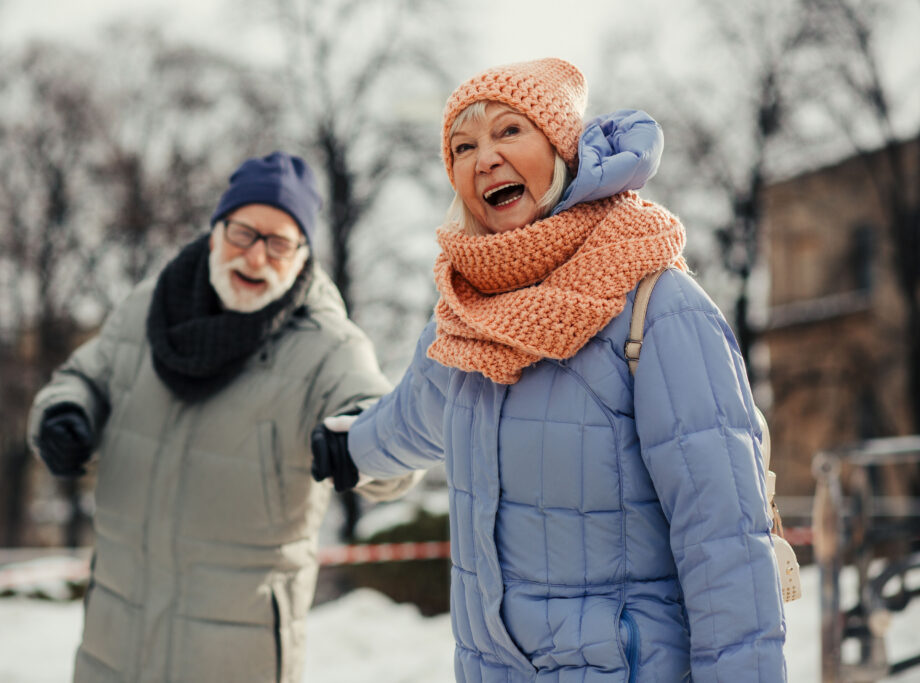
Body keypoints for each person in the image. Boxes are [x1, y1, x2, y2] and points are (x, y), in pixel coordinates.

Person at [311, 58, 787, 681]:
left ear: (561, 148)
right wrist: (349, 448)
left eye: (510, 131)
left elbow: (725, 543)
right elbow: (413, 417)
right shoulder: (465, 319)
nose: (484, 158)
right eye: (463, 146)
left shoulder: (656, 306)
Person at [27, 151, 419, 683]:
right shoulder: (151, 306)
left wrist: (361, 445)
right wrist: (64, 414)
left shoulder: (329, 346)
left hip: (236, 655)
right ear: (216, 232)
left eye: (279, 243)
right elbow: (85, 377)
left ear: (303, 254)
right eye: (243, 234)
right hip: (113, 642)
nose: (255, 258)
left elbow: (385, 425)